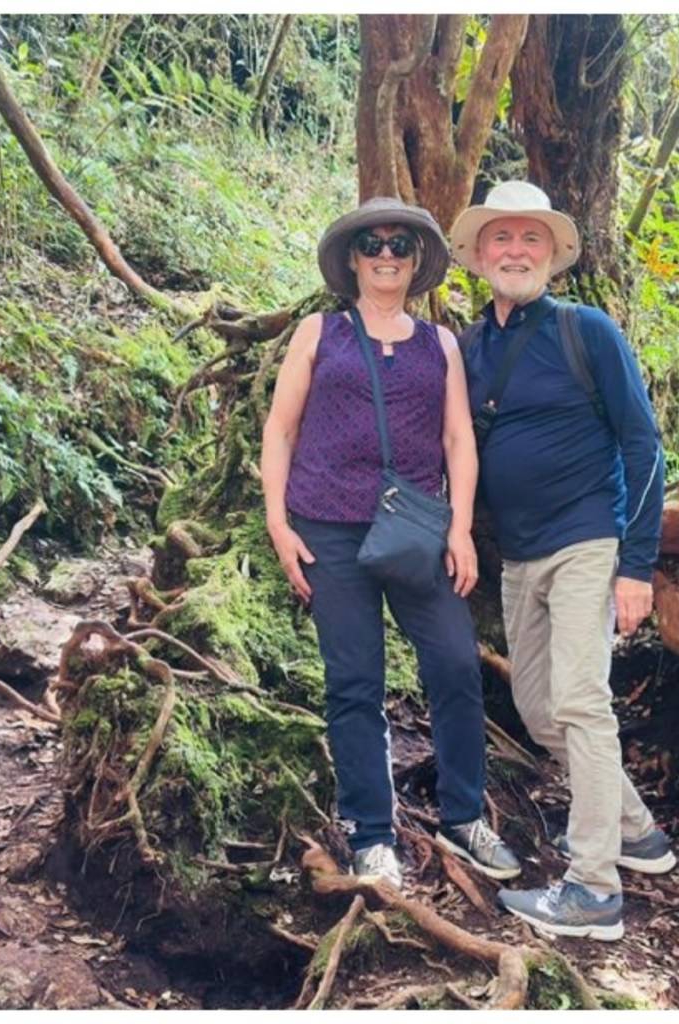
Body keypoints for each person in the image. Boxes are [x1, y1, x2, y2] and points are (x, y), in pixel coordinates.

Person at [261, 196, 521, 890]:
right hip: (326, 528)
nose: (385, 255)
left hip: (414, 528)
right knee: (355, 681)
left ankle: (464, 815)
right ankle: (371, 834)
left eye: (399, 246)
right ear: (352, 259)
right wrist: (279, 524)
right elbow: (280, 429)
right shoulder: (319, 333)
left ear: (416, 260)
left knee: (456, 663)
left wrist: (459, 527)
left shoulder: (439, 344)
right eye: (372, 244)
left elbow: (458, 438)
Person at [450, 181, 674, 941]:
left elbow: (644, 445)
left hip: (587, 541)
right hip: (518, 558)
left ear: (551, 255)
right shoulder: (467, 349)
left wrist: (636, 565)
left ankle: (593, 889)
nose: (515, 251)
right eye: (502, 237)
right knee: (541, 710)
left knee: (580, 701)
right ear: (481, 254)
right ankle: (637, 833)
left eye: (530, 239)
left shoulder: (587, 332)